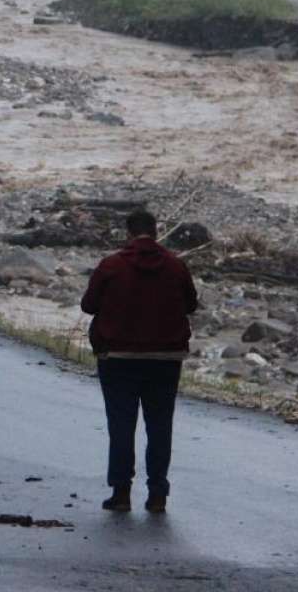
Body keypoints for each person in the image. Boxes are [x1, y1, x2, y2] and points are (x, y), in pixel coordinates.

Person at [81, 209, 198, 514]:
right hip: (166, 358)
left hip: (118, 357)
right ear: (156, 232)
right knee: (160, 426)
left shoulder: (111, 266)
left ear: (128, 234)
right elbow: (191, 305)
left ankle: (121, 493)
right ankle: (157, 494)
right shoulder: (175, 266)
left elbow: (89, 305)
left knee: (122, 425)